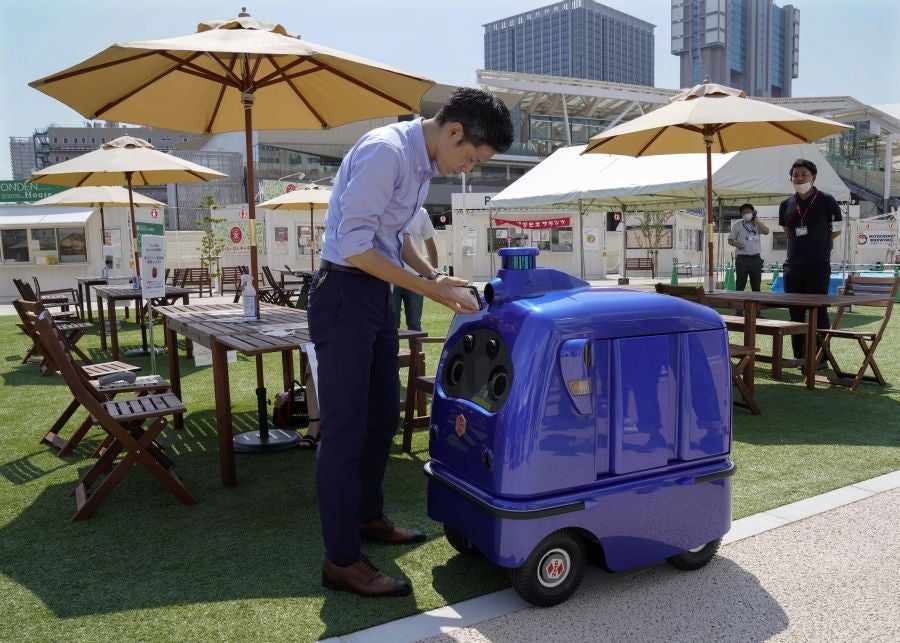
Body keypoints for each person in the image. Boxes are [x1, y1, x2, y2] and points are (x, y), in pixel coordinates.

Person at [308, 87, 514, 598]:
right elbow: (356, 245)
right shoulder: (388, 152)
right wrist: (429, 290)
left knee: (382, 416)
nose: (467, 170)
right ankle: (341, 560)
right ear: (454, 131)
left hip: (374, 294)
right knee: (343, 431)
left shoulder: (421, 163)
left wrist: (435, 275)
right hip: (344, 292)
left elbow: (396, 234)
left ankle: (367, 516)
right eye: (471, 158)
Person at [778, 158, 842, 365]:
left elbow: (837, 229)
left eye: (804, 174)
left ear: (813, 177)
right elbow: (788, 231)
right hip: (792, 266)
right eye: (795, 175)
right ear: (791, 179)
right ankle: (799, 356)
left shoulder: (827, 200)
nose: (799, 178)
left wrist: (819, 243)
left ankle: (820, 358)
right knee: (795, 313)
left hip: (818, 264)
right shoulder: (785, 204)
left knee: (819, 311)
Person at [393, 207, 438, 332]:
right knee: (391, 324)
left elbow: (430, 244)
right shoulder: (389, 207)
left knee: (414, 325)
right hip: (391, 277)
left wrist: (434, 276)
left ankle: (415, 347)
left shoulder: (421, 212)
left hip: (416, 278)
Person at [728, 202, 769, 316]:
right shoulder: (737, 225)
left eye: (748, 212)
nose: (746, 214)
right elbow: (730, 240)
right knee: (740, 285)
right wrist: (737, 244)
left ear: (753, 212)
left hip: (755, 259)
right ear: (741, 215)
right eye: (743, 213)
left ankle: (757, 311)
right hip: (742, 259)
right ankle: (738, 310)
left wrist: (757, 221)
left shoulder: (757, 225)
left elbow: (766, 231)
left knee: (756, 286)